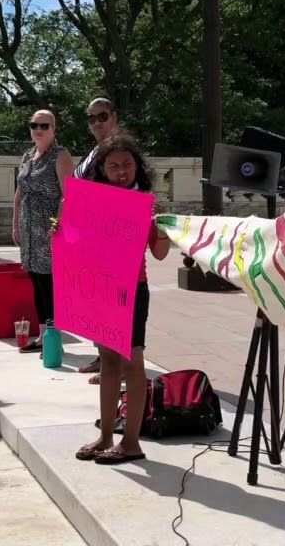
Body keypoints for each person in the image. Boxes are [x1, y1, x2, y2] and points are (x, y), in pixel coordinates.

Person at [72, 134, 170, 465]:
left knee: (133, 363)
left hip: (132, 288)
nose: (121, 170)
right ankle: (105, 436)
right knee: (109, 361)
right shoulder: (93, 201)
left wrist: (162, 226)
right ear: (102, 168)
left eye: (127, 164)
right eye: (113, 165)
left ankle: (131, 442)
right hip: (102, 288)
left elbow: (159, 254)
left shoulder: (145, 202)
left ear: (137, 166)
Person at [13, 109, 74, 353]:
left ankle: (53, 336)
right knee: (35, 281)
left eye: (44, 125)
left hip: (48, 229)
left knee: (49, 282)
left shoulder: (60, 155)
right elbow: (19, 191)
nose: (38, 129)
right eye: (34, 125)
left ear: (54, 129)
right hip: (28, 229)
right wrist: (14, 222)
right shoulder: (28, 155)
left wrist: (57, 224)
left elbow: (68, 195)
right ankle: (42, 335)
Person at [74, 97, 121, 380]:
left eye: (101, 116)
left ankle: (117, 366)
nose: (96, 123)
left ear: (113, 117)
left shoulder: (119, 149)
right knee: (95, 304)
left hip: (111, 238)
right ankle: (103, 357)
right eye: (91, 119)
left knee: (111, 304)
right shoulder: (95, 151)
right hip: (88, 237)